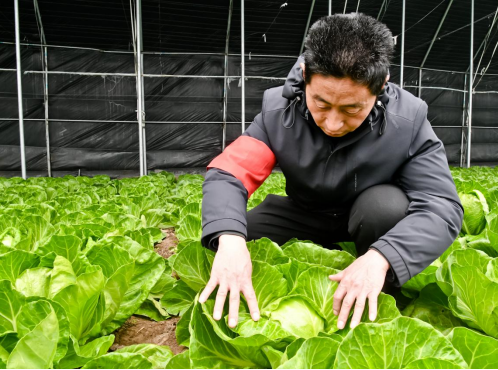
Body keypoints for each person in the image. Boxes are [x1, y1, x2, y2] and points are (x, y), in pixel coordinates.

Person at [198, 13, 463, 331]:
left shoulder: (409, 122)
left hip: (368, 218)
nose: (333, 123)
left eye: (352, 108)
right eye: (321, 104)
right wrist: (229, 240)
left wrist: (383, 256)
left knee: (384, 209)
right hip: (304, 212)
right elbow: (231, 172)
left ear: (381, 86)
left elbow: (441, 205)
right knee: (236, 239)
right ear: (306, 74)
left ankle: (376, 294)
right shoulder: (277, 113)